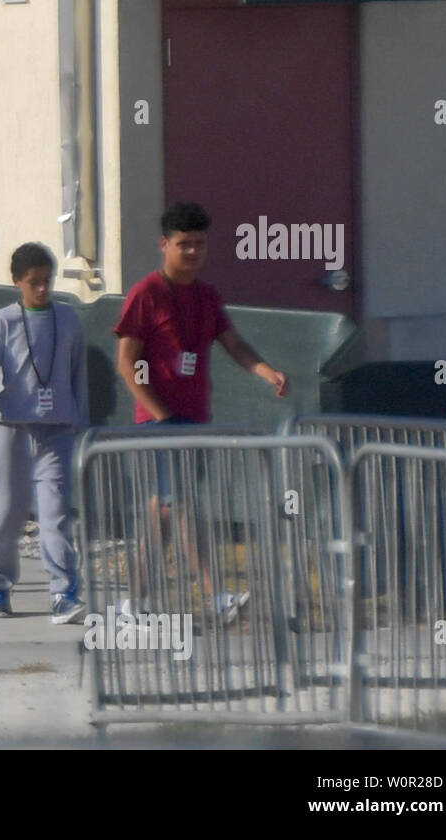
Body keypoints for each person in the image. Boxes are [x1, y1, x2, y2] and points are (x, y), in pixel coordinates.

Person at [113, 201, 289, 623]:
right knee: (183, 506)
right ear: (164, 245)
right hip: (159, 424)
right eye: (183, 244)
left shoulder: (207, 296)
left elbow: (233, 344)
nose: (192, 252)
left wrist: (267, 371)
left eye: (199, 244)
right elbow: (127, 362)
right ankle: (216, 594)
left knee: (164, 512)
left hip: (194, 420)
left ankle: (133, 600)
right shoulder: (147, 293)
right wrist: (160, 416)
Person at [0, 243, 88, 622]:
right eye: (33, 282)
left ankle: (63, 591)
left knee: (55, 513)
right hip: (11, 428)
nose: (41, 289)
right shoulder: (3, 322)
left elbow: (78, 374)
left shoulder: (67, 320)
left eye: (46, 281)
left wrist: (79, 422)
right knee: (3, 511)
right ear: (17, 282)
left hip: (56, 431)